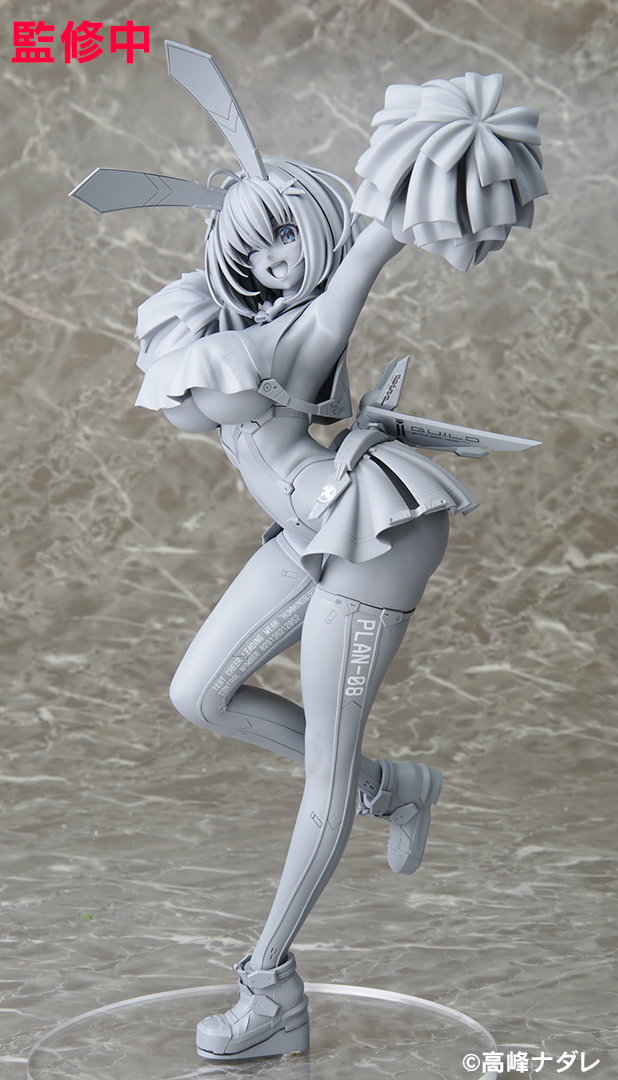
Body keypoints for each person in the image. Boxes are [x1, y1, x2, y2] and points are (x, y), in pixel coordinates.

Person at [70, 48, 546, 1060]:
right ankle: (392, 786)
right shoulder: (227, 322)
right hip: (304, 530)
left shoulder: (320, 317)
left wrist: (435, 152)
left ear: (318, 227)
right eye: (257, 248)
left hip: (371, 532)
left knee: (319, 777)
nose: (279, 262)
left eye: (288, 235)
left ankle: (269, 986)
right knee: (199, 693)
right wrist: (245, 228)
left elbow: (374, 240)